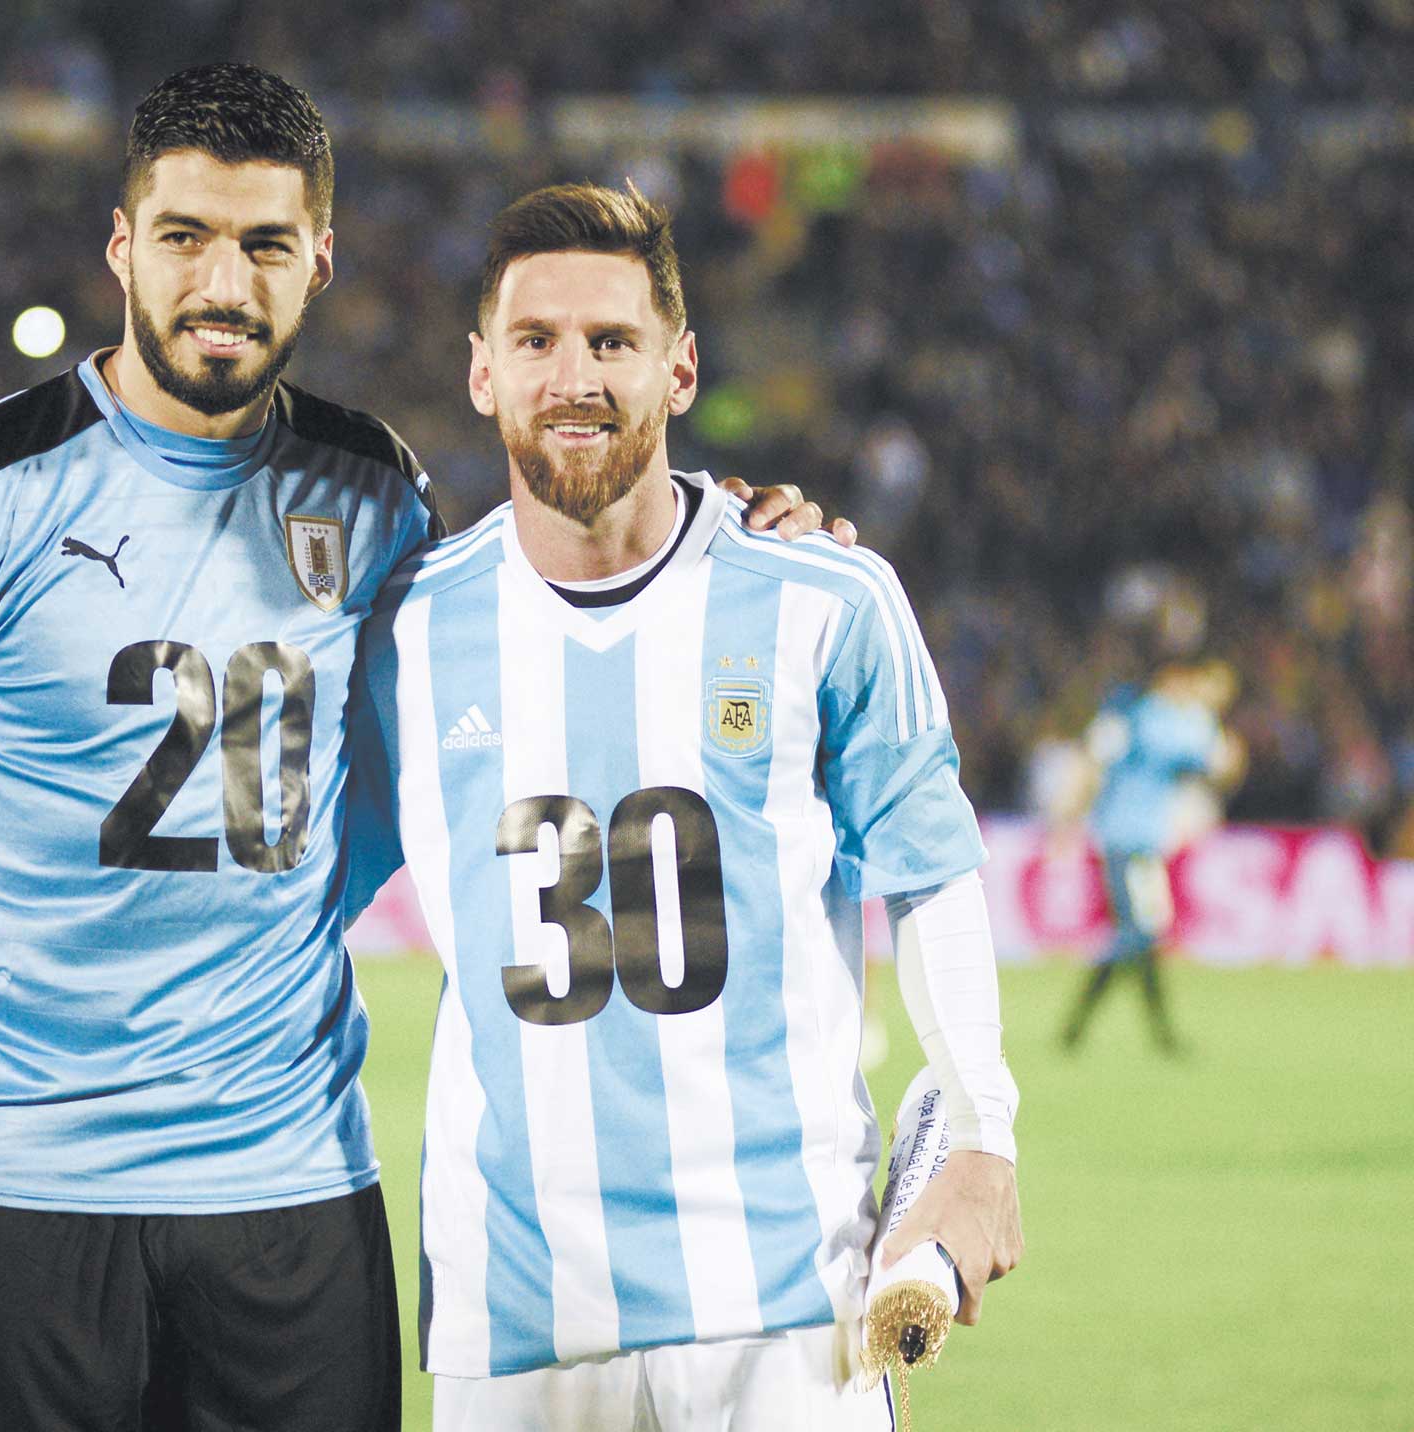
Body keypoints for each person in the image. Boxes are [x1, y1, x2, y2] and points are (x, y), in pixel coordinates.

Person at [0, 64, 838, 1432]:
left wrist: (736, 536)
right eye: (184, 237)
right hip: (18, 1193)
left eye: (265, 246)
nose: (222, 283)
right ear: (122, 247)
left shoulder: (376, 493)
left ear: (319, 262)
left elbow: (520, 664)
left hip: (291, 1206)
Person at [343, 182, 1023, 1429]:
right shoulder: (404, 631)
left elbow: (927, 868)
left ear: (681, 368)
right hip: (517, 1319)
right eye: (536, 340)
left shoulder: (824, 598)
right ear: (482, 372)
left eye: (612, 341)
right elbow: (283, 890)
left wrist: (980, 1127)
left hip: (789, 1307)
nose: (574, 376)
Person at [1061, 658, 1242, 1054]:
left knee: (1143, 934)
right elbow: (1215, 762)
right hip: (1130, 840)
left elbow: (1098, 754)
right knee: (1138, 932)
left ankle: (1135, 1032)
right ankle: (1088, 1027)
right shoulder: (1161, 719)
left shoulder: (1135, 716)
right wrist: (1216, 729)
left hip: (1131, 839)